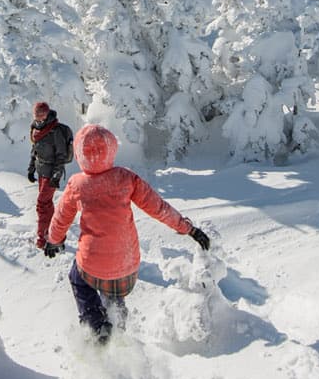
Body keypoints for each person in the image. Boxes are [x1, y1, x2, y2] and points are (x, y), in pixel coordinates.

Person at [44, 124, 210, 343]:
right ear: (112, 149)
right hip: (126, 265)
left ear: (79, 153)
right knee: (114, 294)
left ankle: (95, 324)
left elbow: (61, 219)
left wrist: (53, 240)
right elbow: (158, 208)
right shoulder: (125, 178)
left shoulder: (77, 185)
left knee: (78, 278)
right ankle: (118, 328)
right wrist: (189, 229)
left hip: (91, 265)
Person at [27, 101, 74, 249]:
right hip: (41, 170)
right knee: (47, 205)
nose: (39, 117)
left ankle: (42, 239)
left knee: (42, 204)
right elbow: (35, 150)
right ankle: (56, 234)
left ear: (47, 114)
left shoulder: (55, 131)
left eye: (42, 114)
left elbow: (61, 156)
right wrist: (31, 168)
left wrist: (56, 175)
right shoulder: (35, 128)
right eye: (37, 115)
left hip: (52, 173)